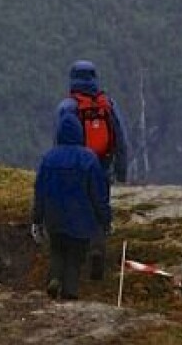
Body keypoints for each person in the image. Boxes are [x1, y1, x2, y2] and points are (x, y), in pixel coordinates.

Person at [54, 60, 129, 280]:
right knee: (98, 209)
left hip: (75, 166)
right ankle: (97, 249)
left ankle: (72, 263)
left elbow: (59, 140)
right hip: (102, 165)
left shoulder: (67, 107)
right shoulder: (108, 105)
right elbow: (121, 139)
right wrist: (121, 173)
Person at [32, 111, 111, 301]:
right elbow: (98, 194)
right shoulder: (89, 159)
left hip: (54, 217)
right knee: (75, 256)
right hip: (81, 218)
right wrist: (105, 218)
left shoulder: (49, 158)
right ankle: (70, 291)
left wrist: (37, 219)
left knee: (58, 250)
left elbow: (39, 191)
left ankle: (54, 278)